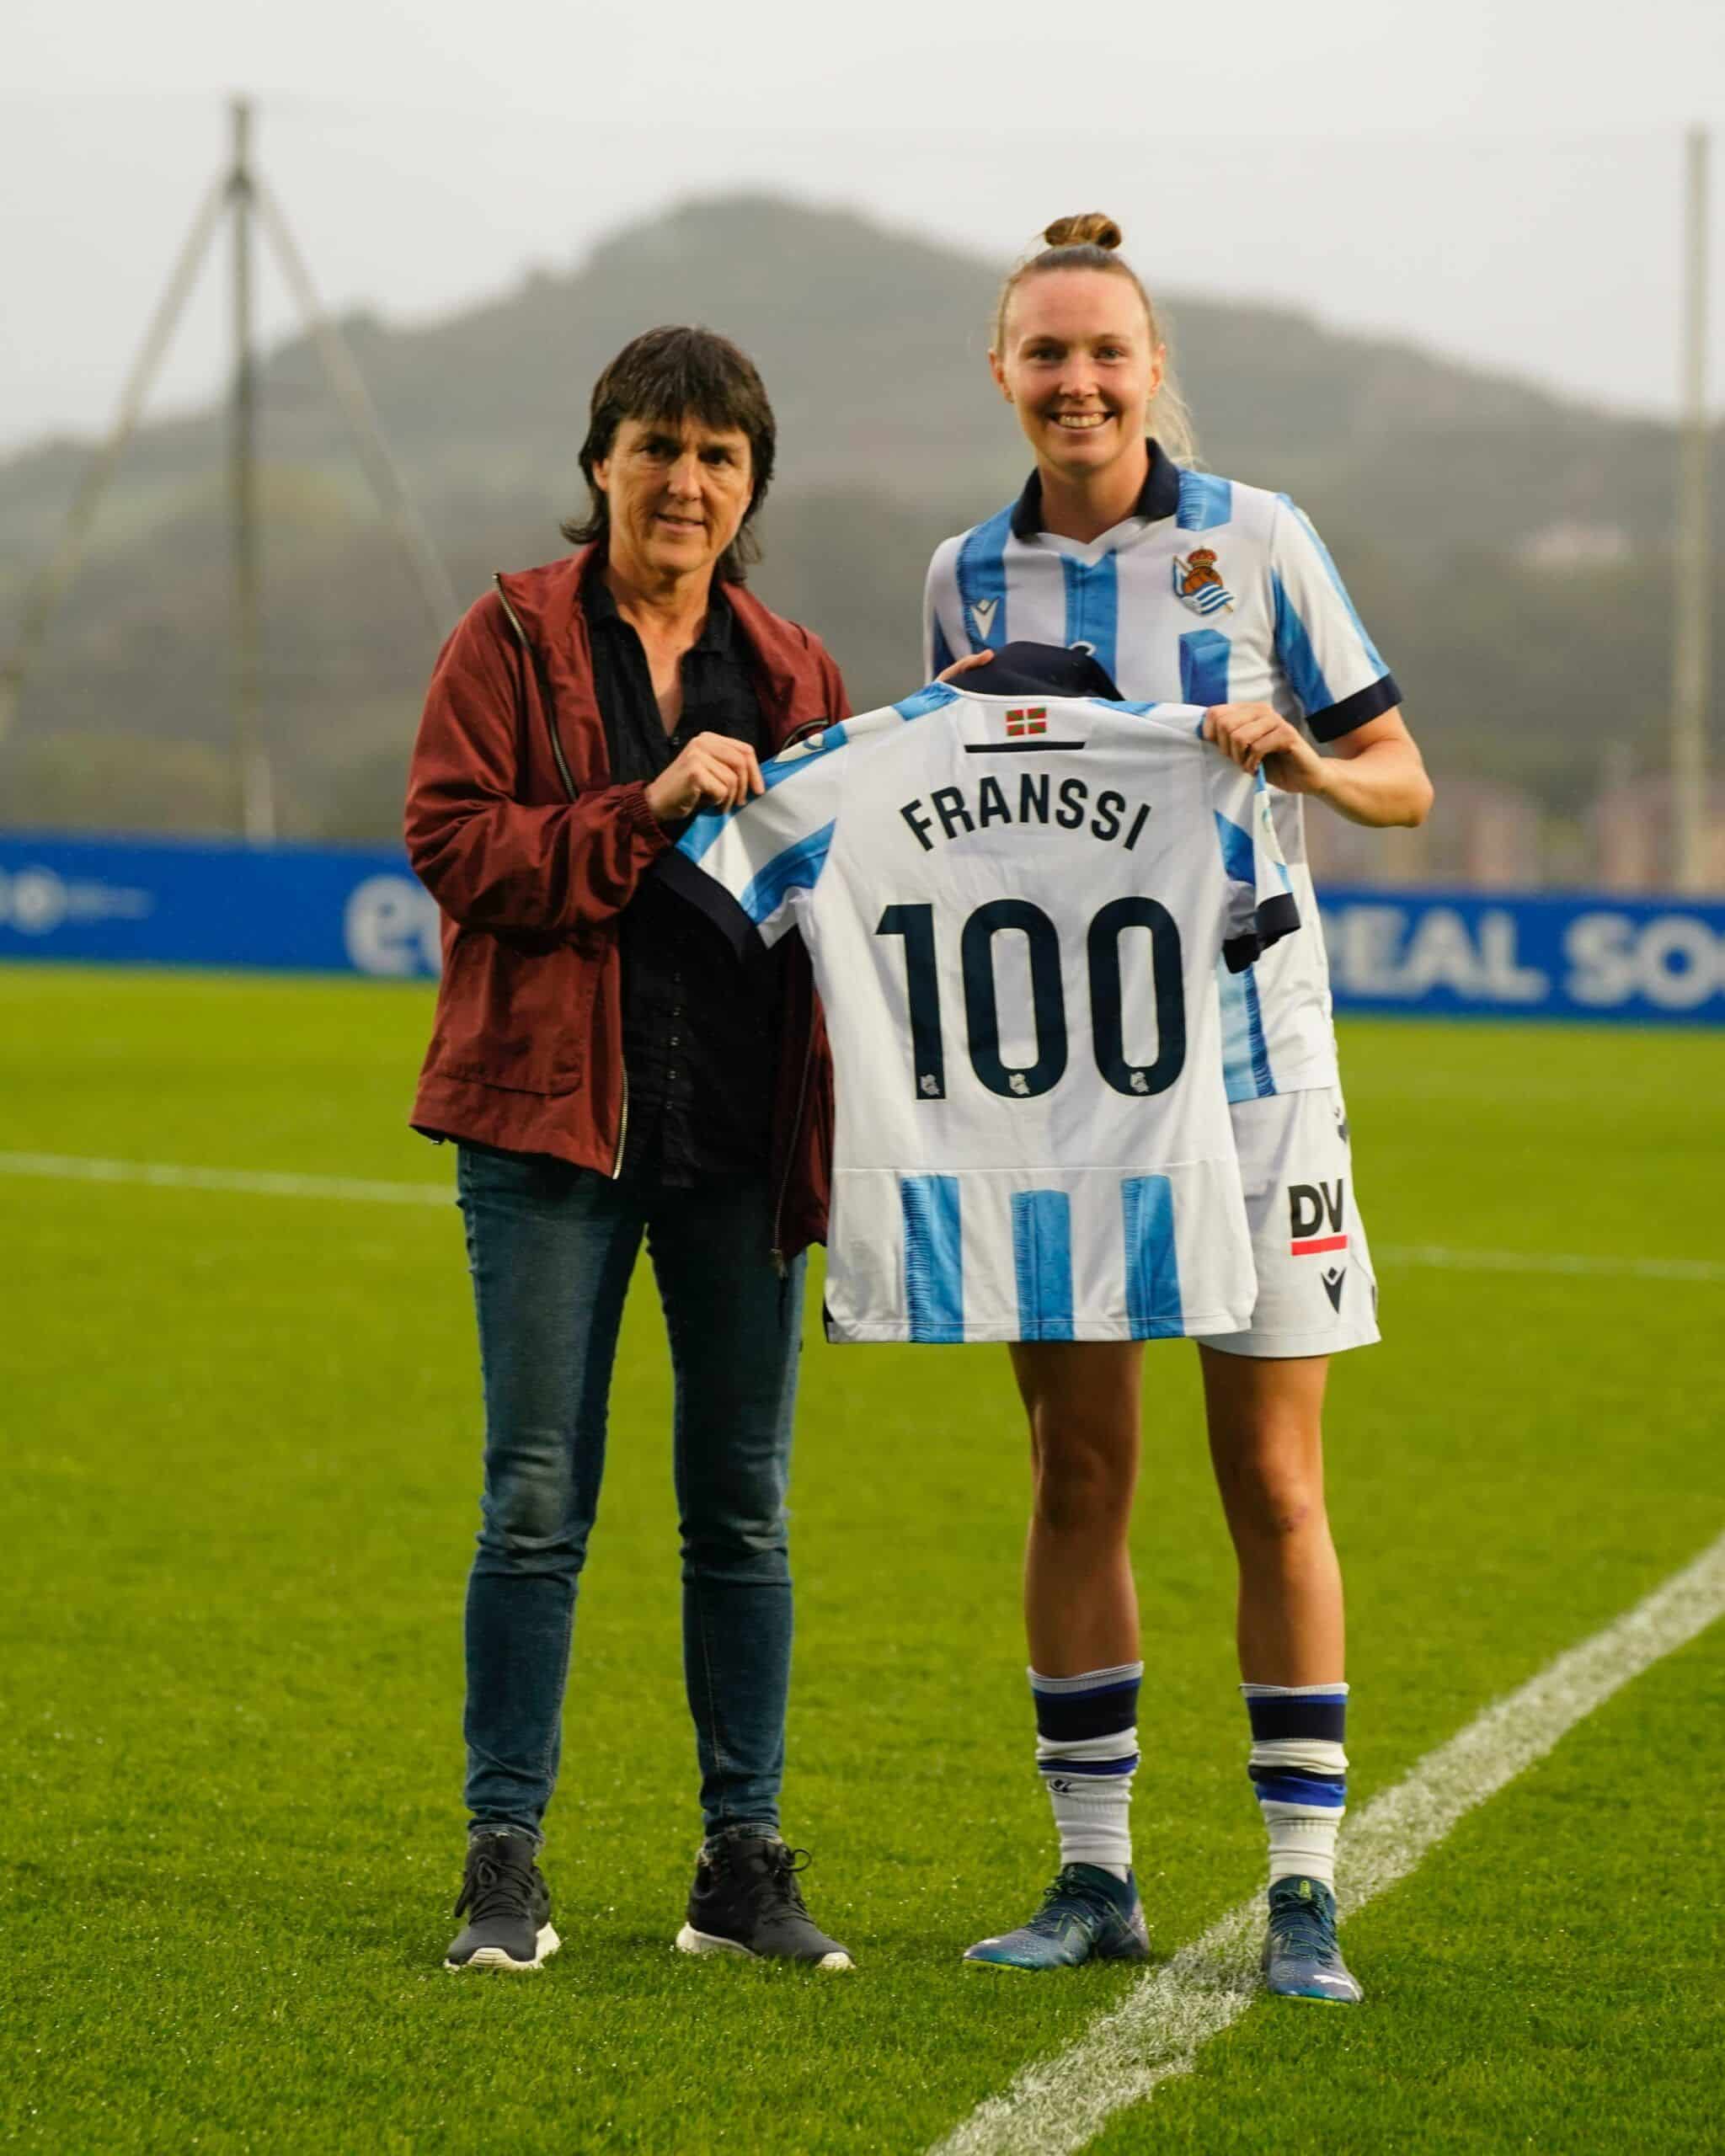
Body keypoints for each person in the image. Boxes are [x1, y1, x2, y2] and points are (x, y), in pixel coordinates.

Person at [923, 216, 1434, 1999]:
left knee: (1270, 1481)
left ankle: (1302, 1887)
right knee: (1075, 1468)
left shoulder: (1259, 538)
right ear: (1003, 373)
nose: (1076, 382)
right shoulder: (963, 579)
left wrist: (1291, 751)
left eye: (1105, 354)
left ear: (1150, 371)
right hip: (1064, 1088)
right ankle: (1093, 1878)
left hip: (1257, 1076)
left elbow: (1402, 781)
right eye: (1044, 355)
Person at [405, 324, 852, 1974]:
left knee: (742, 1507)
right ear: (599, 460)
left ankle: (741, 1862)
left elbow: (843, 896)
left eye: (718, 456)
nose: (685, 480)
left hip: (739, 1137)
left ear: (750, 487)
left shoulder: (796, 665)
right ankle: (503, 1857)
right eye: (656, 445)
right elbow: (454, 844)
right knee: (534, 1499)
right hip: (546, 1126)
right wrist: (645, 807)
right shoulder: (510, 633)